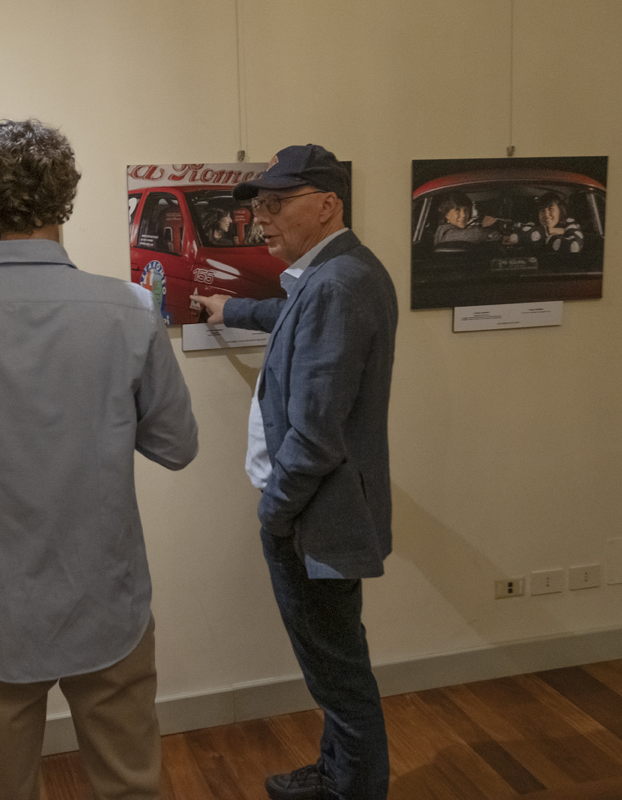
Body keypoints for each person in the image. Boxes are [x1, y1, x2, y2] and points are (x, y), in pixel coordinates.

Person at [0, 119, 198, 800]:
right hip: (107, 597)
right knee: (130, 786)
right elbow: (177, 446)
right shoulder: (131, 311)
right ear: (66, 199)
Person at [192, 145, 397, 800]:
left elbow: (314, 435)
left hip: (314, 520)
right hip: (315, 513)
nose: (262, 220)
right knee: (335, 661)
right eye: (260, 206)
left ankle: (352, 789)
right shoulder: (332, 277)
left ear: (327, 204)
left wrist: (274, 515)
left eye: (278, 205)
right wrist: (233, 310)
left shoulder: (338, 284)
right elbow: (292, 320)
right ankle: (337, 772)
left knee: (340, 675)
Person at [433, 193, 513, 247]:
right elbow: (475, 235)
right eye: (457, 210)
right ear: (446, 214)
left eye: (466, 210)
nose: (464, 215)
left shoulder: (452, 229)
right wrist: (500, 237)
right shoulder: (445, 231)